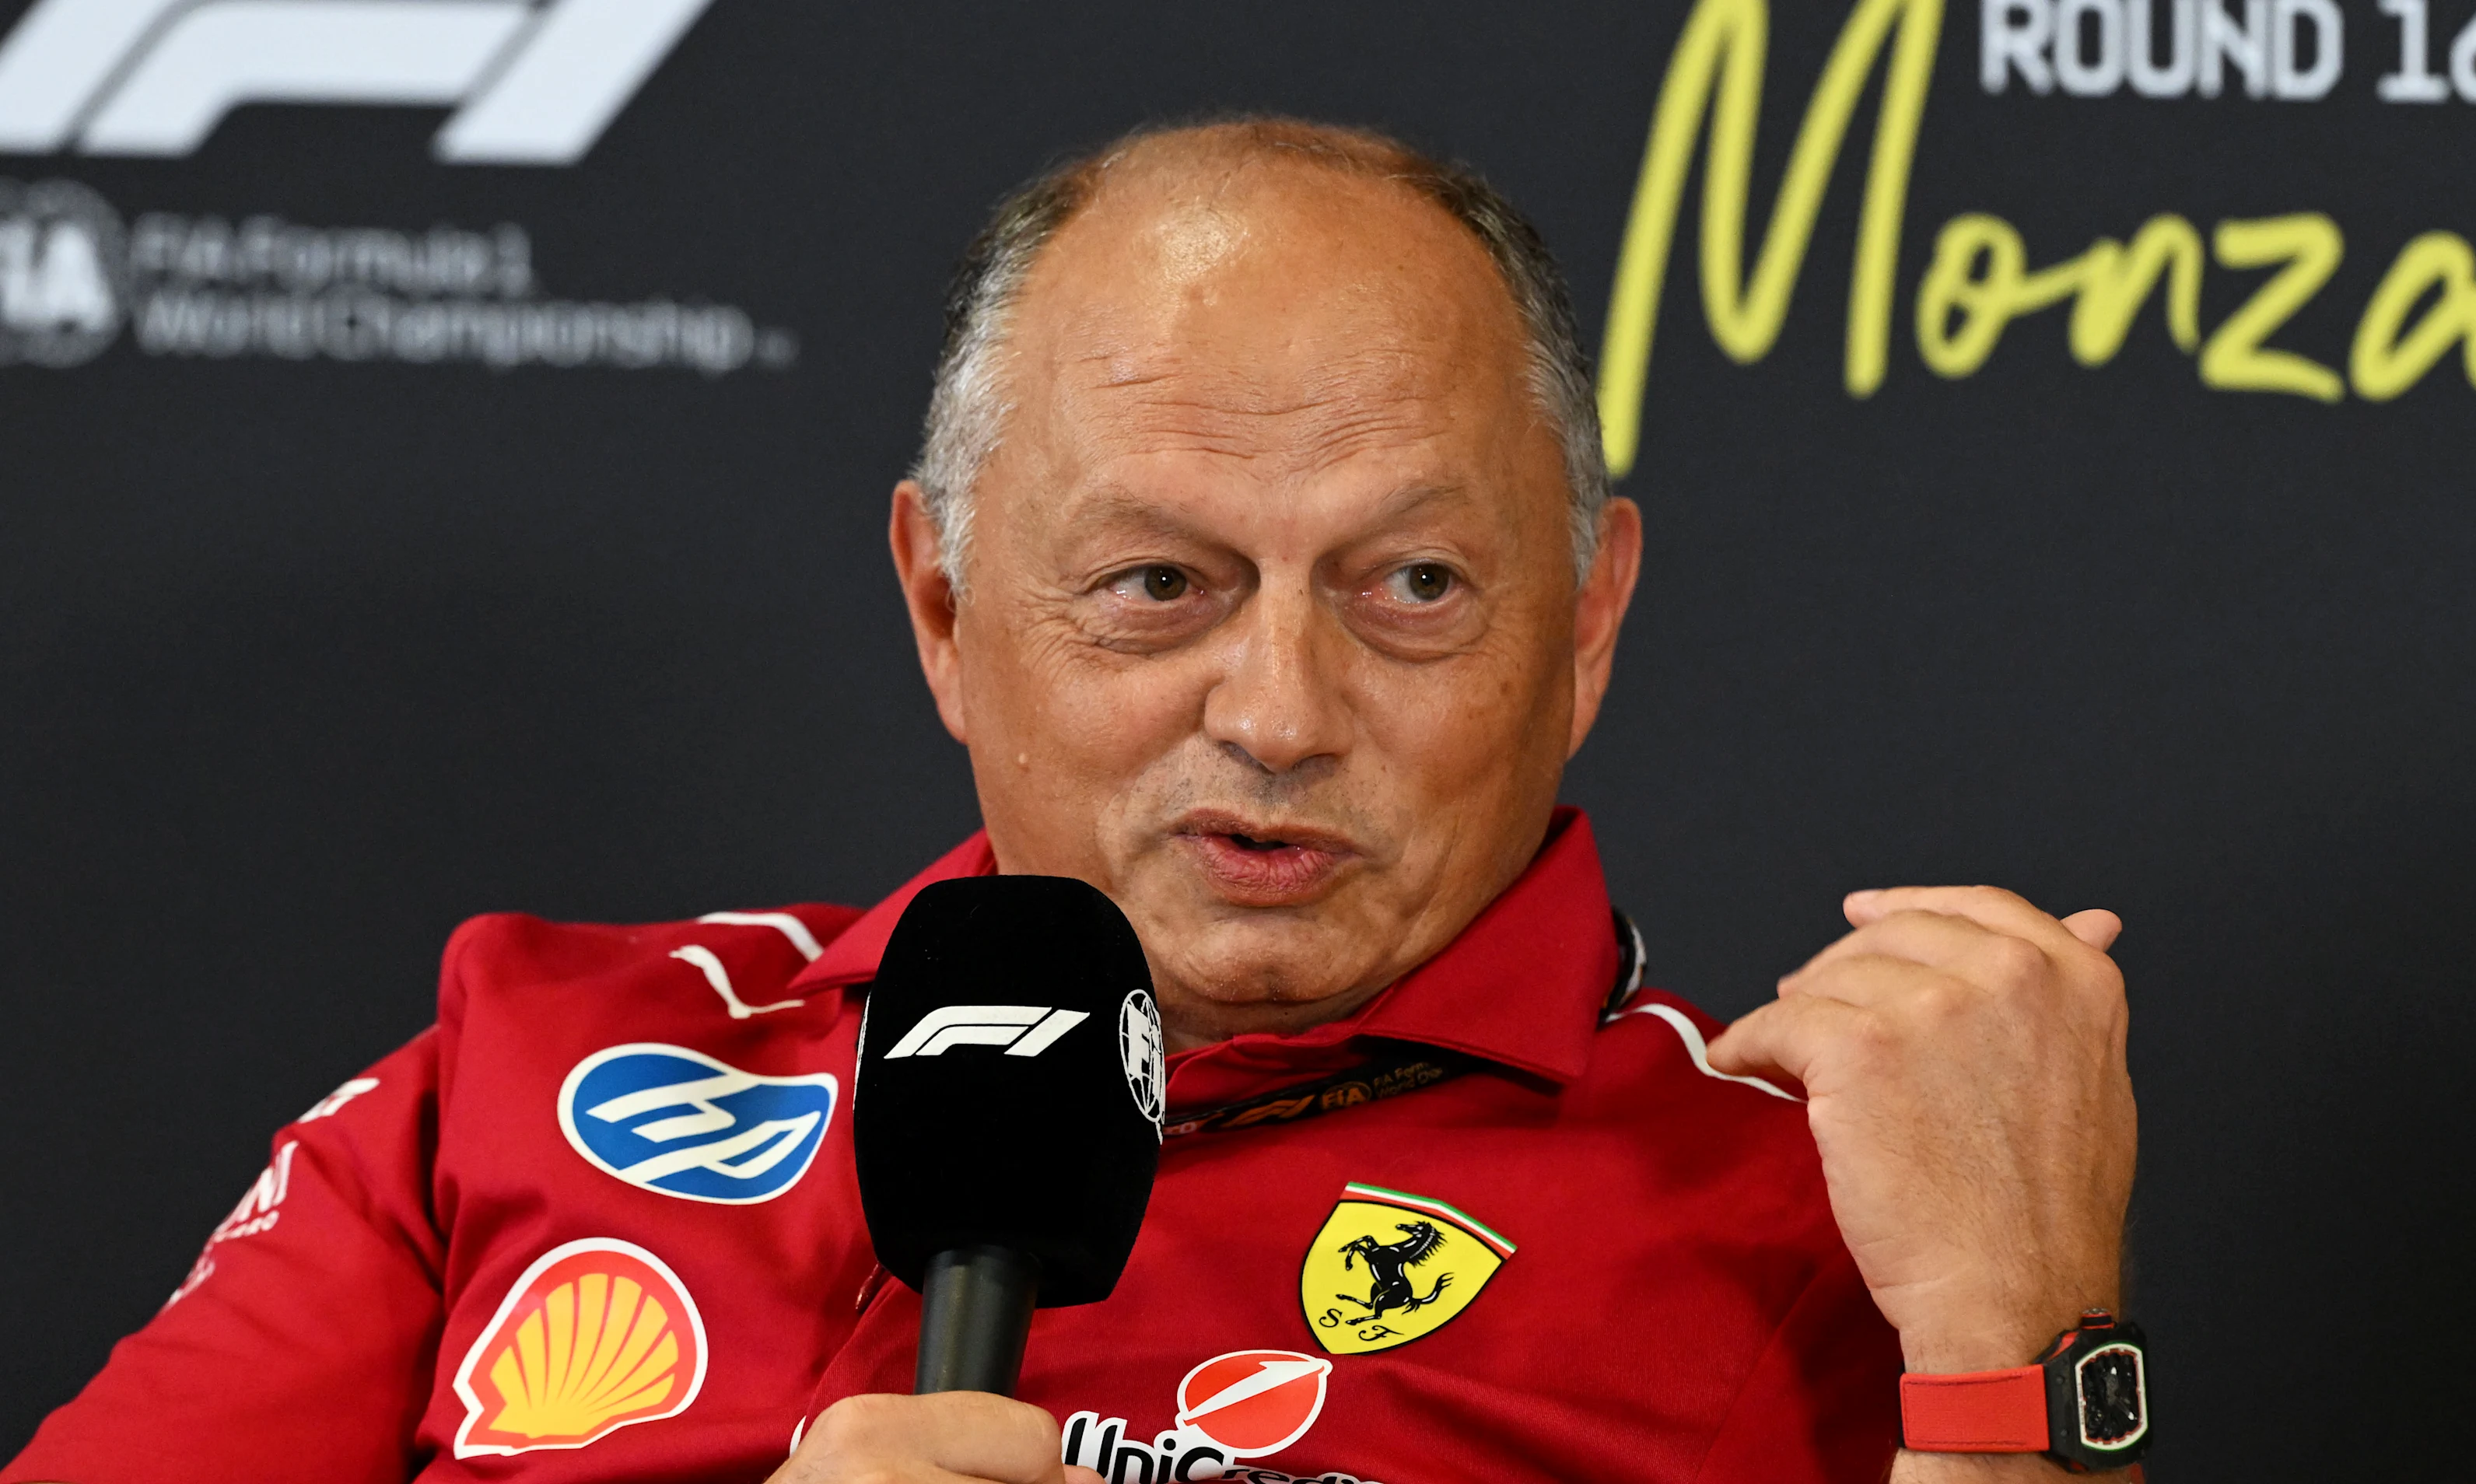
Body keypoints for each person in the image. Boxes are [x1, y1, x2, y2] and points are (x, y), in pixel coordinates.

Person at [5, 119, 2136, 1484]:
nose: (1282, 708)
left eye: (1411, 585)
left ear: (1583, 624)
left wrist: (2015, 1367)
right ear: (944, 606)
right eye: (1157, 586)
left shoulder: (1811, 1220)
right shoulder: (535, 1061)